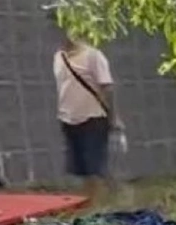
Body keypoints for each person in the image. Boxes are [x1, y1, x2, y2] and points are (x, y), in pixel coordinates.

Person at [51, 14, 123, 199]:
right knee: (82, 165)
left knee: (94, 165)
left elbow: (107, 87)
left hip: (93, 116)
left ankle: (97, 201)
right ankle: (114, 194)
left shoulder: (93, 55)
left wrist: (114, 117)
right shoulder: (59, 57)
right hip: (68, 117)